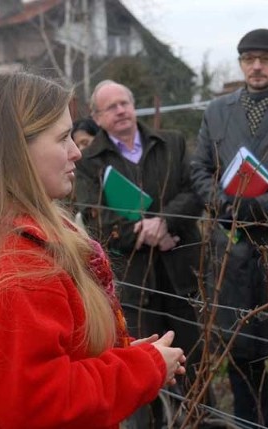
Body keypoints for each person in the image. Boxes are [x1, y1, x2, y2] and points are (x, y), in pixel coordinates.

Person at [0, 72, 186, 429]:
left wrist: (123, 356)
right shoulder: (19, 266)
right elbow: (41, 404)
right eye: (62, 138)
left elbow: (34, 360)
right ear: (15, 151)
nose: (77, 151)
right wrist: (145, 367)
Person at [75, 80, 206, 428]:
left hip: (181, 274)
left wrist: (164, 223)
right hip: (134, 284)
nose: (120, 111)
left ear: (135, 106)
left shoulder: (172, 142)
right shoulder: (90, 161)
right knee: (143, 376)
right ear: (97, 118)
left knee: (194, 369)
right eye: (111, 107)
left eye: (125, 103)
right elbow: (95, 218)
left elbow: (193, 192)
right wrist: (145, 233)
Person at [190, 28, 268, 428]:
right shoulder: (218, 111)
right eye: (248, 58)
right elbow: (199, 167)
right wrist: (223, 203)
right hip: (232, 252)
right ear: (240, 62)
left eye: (266, 59)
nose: (256, 66)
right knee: (242, 359)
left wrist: (261, 205)